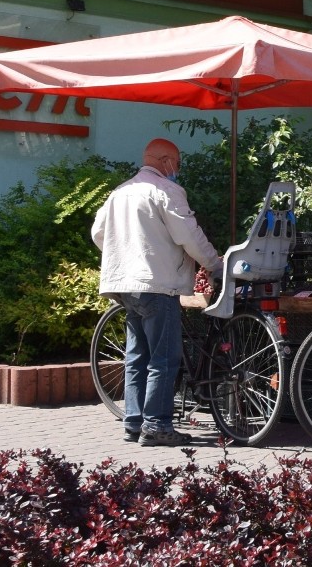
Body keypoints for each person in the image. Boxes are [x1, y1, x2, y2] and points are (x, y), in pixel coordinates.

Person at [92, 138, 223, 447]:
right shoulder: (166, 191)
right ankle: (157, 425)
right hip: (156, 284)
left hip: (125, 286)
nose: (177, 170)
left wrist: (125, 253)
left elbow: (99, 233)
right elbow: (189, 235)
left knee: (137, 356)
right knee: (164, 358)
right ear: (165, 162)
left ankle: (133, 422)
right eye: (177, 164)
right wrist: (214, 264)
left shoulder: (119, 192)